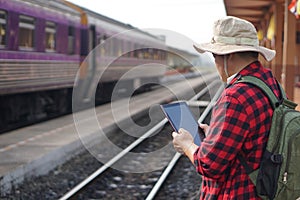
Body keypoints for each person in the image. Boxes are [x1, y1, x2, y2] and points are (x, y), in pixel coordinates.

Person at [172, 16, 283, 199]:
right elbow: (255, 137)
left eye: (215, 56)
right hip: (266, 189)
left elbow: (209, 165)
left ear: (228, 56)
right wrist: (215, 134)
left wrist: (186, 145)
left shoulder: (235, 97)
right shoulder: (271, 83)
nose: (215, 63)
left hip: (238, 192)